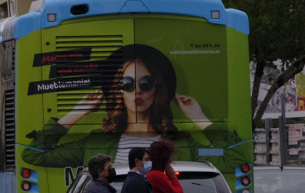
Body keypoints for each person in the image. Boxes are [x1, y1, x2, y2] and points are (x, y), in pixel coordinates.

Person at [24, 44, 247, 173]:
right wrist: (77, 112)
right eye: (128, 84)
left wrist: (199, 118)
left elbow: (233, 158)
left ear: (157, 88)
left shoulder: (182, 143)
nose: (137, 91)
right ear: (119, 90)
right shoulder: (96, 142)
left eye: (146, 83)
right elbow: (35, 155)